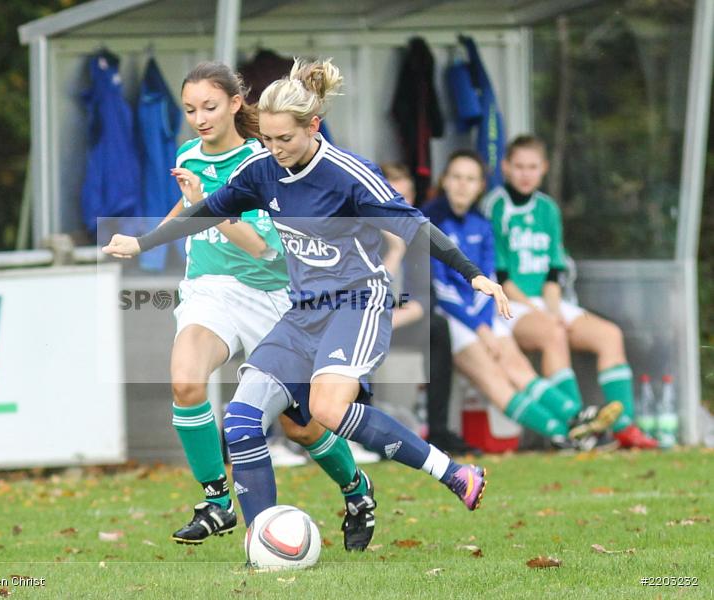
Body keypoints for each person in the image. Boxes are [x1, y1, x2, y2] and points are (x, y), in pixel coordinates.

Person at [104, 58, 510, 529]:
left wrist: (473, 274)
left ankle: (454, 473)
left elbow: (414, 225)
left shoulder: (348, 174)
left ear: (313, 126)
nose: (274, 150)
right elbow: (208, 210)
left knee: (325, 409)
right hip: (302, 310)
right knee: (241, 420)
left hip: (357, 302)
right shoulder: (263, 172)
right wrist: (141, 242)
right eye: (269, 139)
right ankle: (261, 544)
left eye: (285, 139)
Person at [162, 62, 379, 551]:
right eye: (190, 109)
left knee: (300, 426)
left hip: (274, 296)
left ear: (238, 104)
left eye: (210, 107)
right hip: (210, 288)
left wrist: (207, 209)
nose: (199, 117)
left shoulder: (266, 161)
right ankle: (217, 501)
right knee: (185, 379)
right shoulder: (187, 155)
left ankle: (356, 490)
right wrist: (144, 240)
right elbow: (186, 208)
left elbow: (261, 247)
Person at [425, 150, 621, 449]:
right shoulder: (430, 219)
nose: (463, 185)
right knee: (494, 379)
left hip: (480, 312)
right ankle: (563, 435)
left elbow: (487, 276)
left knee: (518, 367)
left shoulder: (480, 223)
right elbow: (441, 288)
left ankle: (578, 419)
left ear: (480, 185)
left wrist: (484, 324)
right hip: (448, 317)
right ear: (444, 181)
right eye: (456, 177)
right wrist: (480, 330)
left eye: (470, 179)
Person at [482, 135, 657, 449]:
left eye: (532, 167)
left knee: (609, 335)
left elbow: (553, 273)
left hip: (548, 302)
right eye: (519, 166)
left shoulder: (548, 209)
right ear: (506, 167)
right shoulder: (495, 207)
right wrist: (543, 315)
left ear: (544, 169)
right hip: (509, 303)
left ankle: (624, 428)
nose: (525, 173)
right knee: (553, 333)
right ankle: (582, 428)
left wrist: (553, 310)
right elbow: (503, 277)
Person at [380, 162, 477, 455]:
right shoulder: (358, 234)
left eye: (405, 198)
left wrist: (386, 323)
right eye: (392, 196)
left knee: (437, 327)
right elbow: (366, 295)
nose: (400, 206)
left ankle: (438, 430)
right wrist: (394, 252)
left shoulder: (417, 238)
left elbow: (422, 301)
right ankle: (369, 437)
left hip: (395, 322)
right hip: (361, 319)